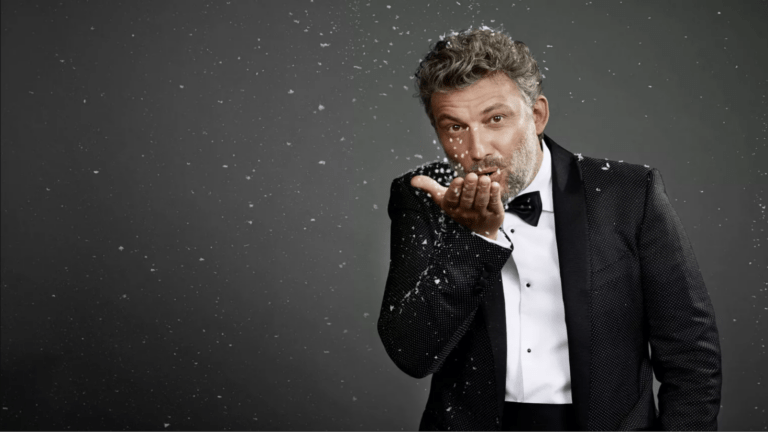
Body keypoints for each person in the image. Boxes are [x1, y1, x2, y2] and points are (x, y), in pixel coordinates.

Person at [377, 27, 722, 431]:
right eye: (454, 127)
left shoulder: (628, 193)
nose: (476, 149)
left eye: (496, 119)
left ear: (537, 115)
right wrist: (473, 240)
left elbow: (691, 356)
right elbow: (412, 353)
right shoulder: (422, 197)